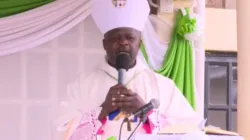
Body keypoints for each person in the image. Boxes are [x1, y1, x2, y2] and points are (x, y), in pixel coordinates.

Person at [55, 0, 202, 140]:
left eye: (130, 38)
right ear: (105, 44)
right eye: (115, 38)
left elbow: (189, 132)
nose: (123, 43)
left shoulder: (162, 86)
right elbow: (61, 133)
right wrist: (102, 111)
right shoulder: (82, 86)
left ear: (139, 43)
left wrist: (147, 113)